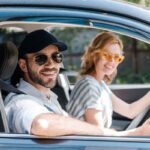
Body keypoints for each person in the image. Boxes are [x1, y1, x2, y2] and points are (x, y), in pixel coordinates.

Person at [4, 30, 150, 137]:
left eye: (56, 57)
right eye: (40, 59)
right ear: (23, 66)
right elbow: (43, 124)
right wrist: (123, 134)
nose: (51, 64)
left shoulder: (48, 97)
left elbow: (129, 111)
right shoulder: (20, 102)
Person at [66, 31, 150, 134]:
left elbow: (129, 111)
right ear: (94, 55)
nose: (112, 61)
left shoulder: (100, 84)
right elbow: (98, 136)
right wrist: (139, 132)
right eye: (107, 55)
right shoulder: (89, 87)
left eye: (117, 57)